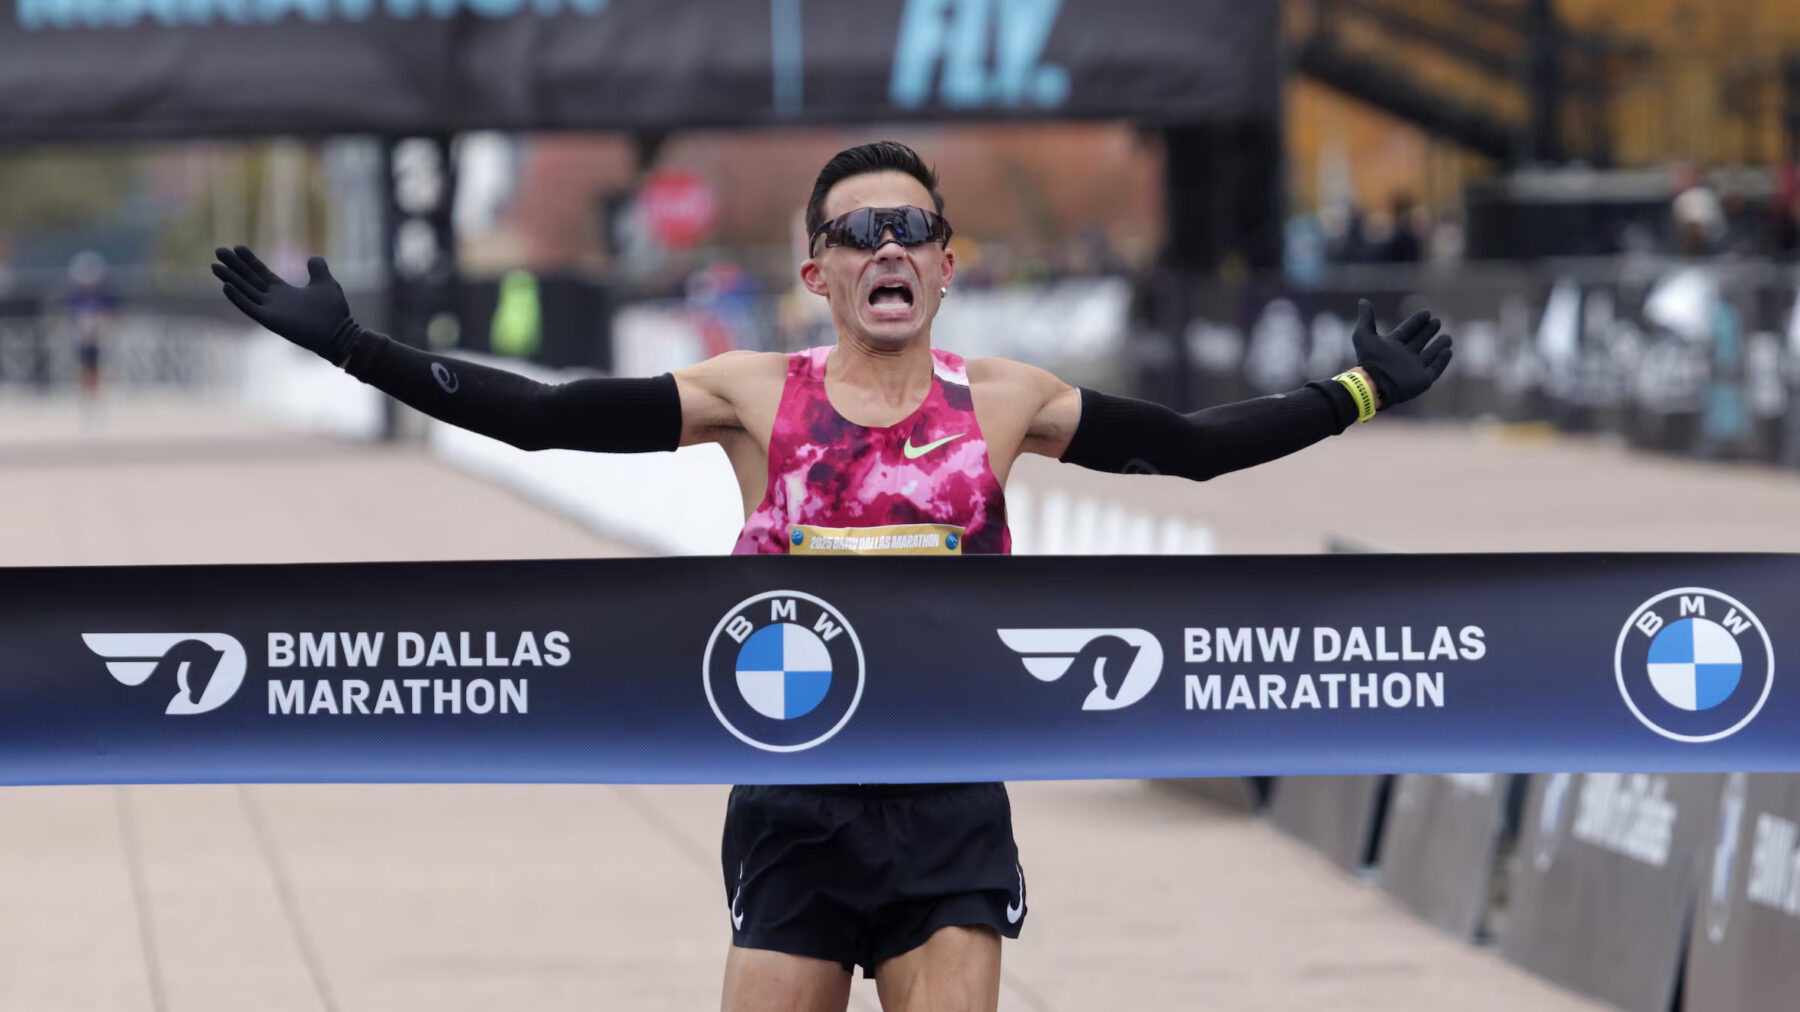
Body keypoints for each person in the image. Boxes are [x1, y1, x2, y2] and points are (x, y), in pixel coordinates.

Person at [213, 140, 1452, 1012]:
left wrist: (1354, 393)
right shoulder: (756, 395)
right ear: (820, 275)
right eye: (858, 233)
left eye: (911, 228)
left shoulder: (1005, 401)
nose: (887, 245)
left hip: (947, 803)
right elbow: (545, 420)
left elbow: (1189, 449)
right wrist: (358, 350)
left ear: (947, 264)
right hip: (794, 797)